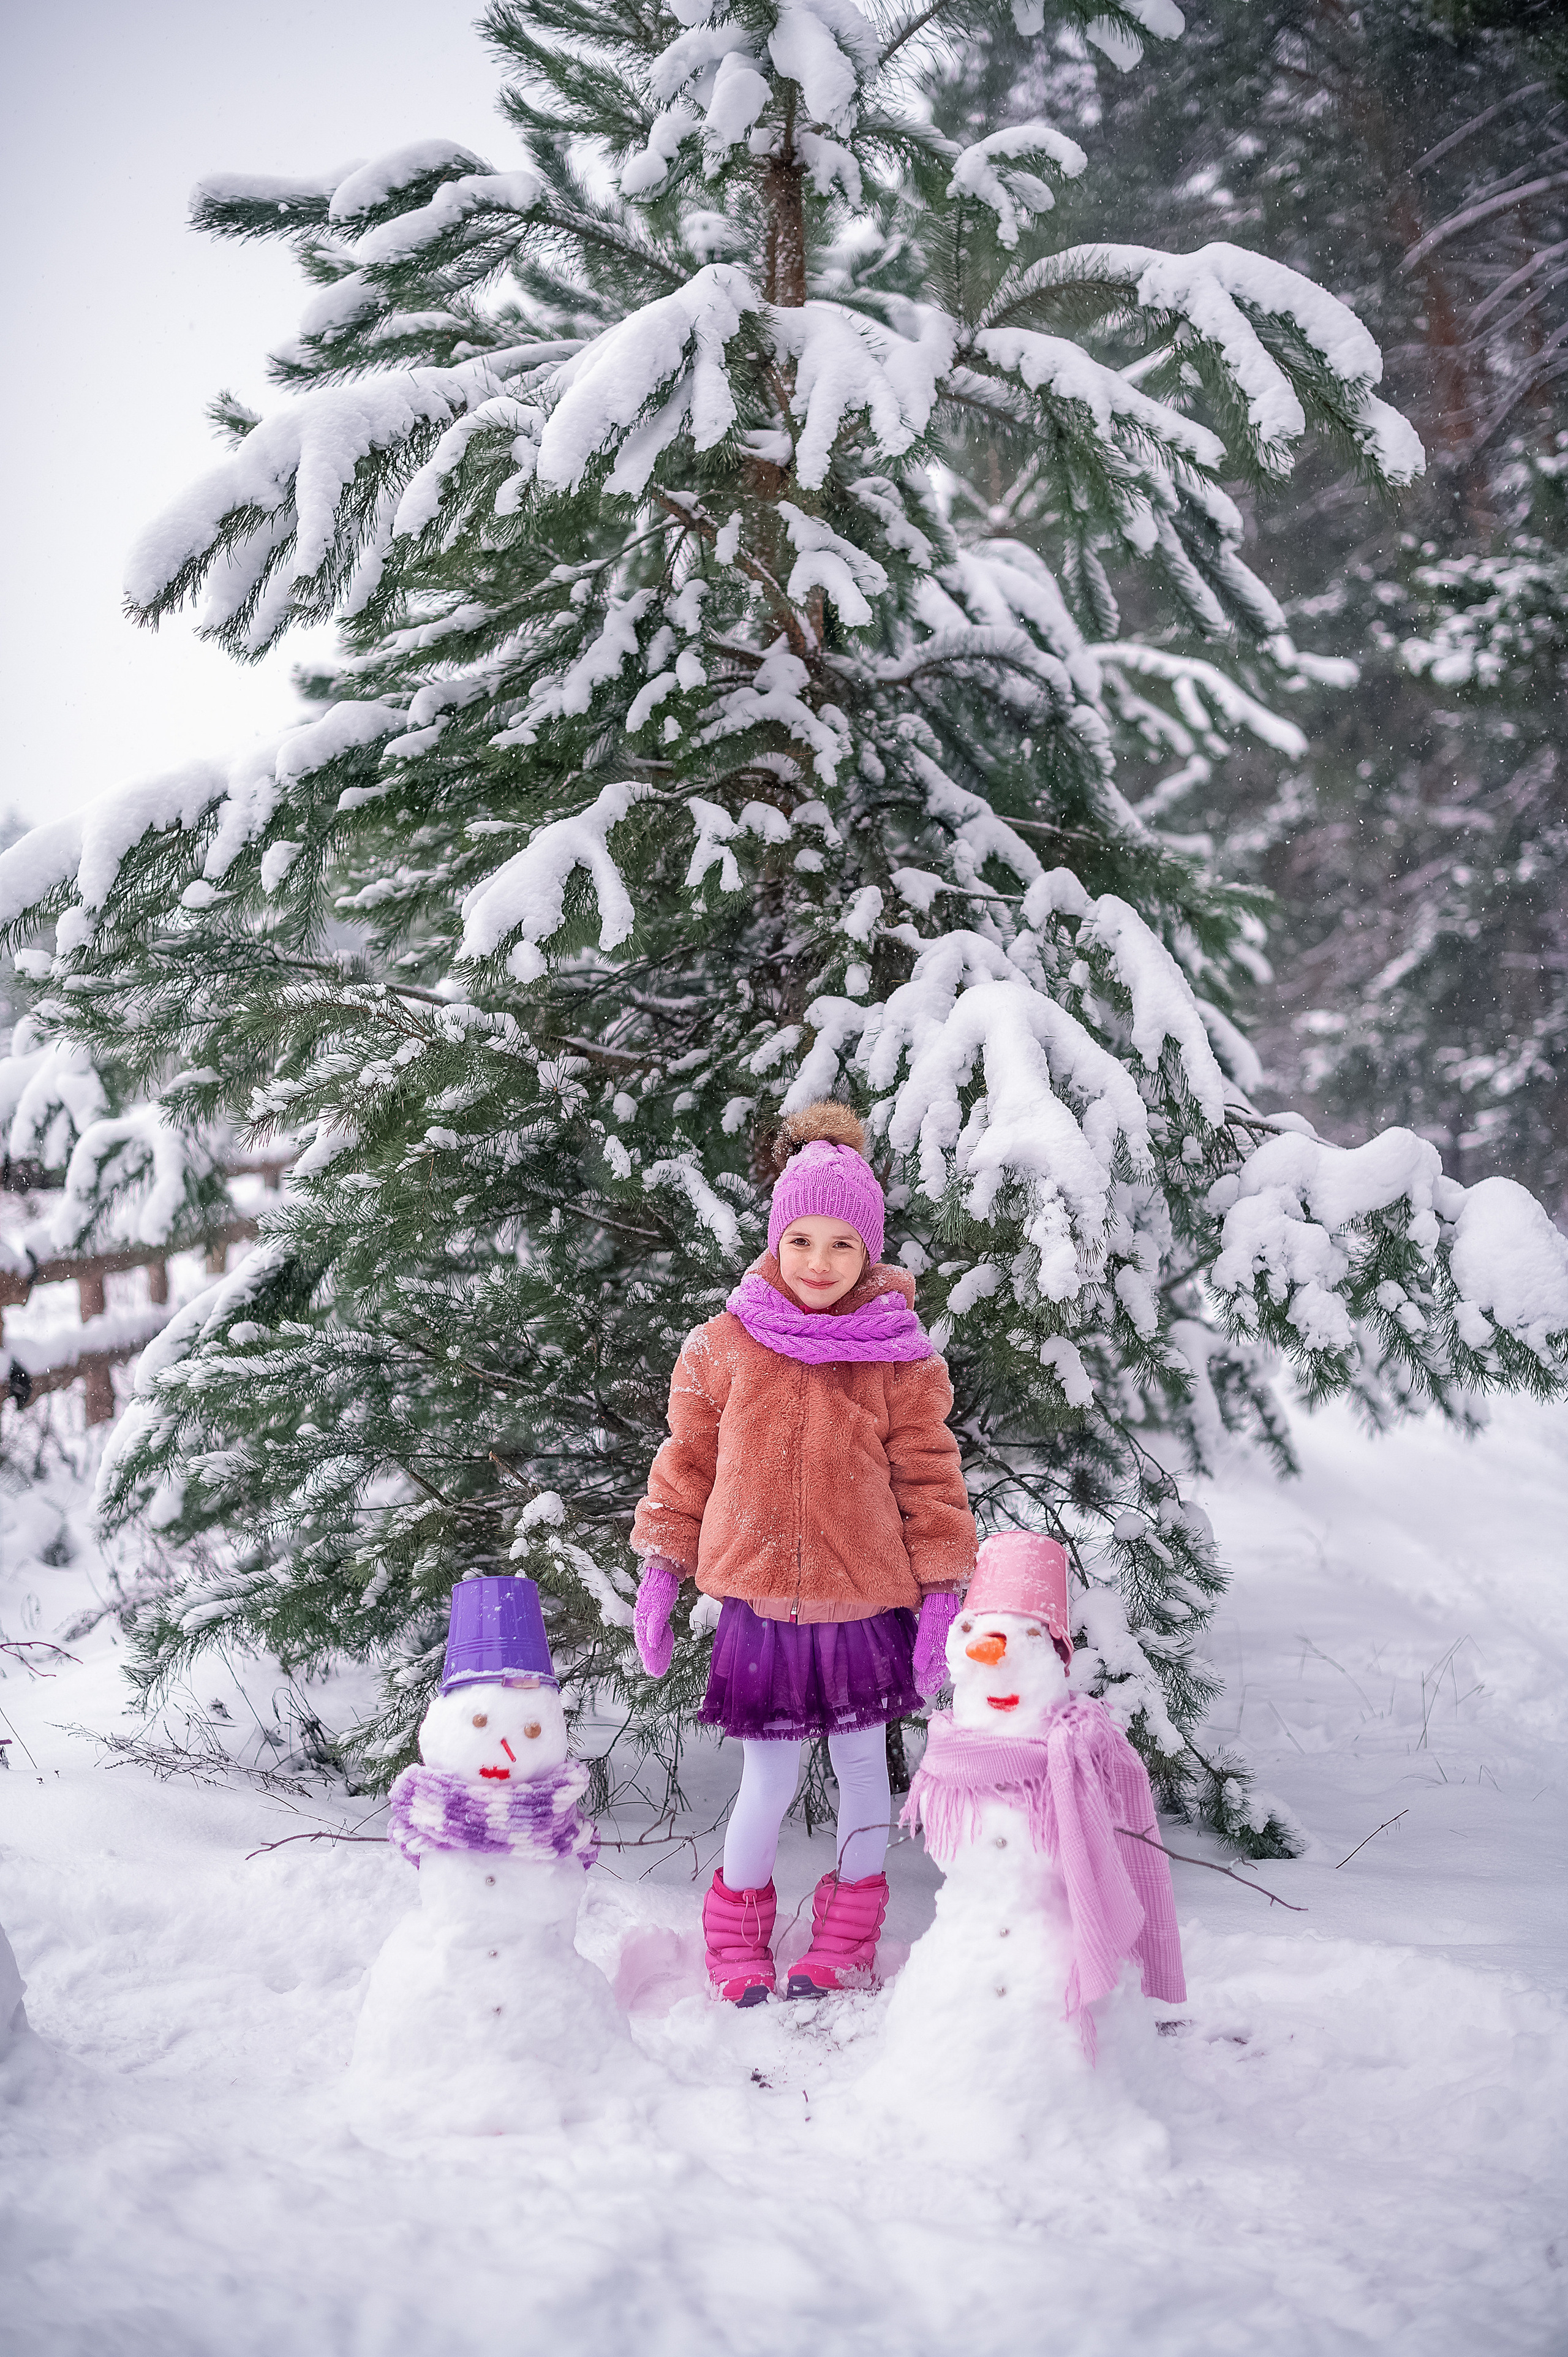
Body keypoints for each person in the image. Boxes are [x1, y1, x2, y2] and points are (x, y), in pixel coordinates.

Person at [630, 1101, 978, 2002]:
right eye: (802, 1241)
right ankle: (738, 1937)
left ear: (869, 1255)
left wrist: (942, 1589)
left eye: (842, 1246)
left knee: (865, 1772)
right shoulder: (722, 1345)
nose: (819, 1263)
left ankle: (847, 1936)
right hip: (759, 1608)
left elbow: (931, 1479)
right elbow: (686, 1465)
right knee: (769, 1779)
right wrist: (662, 1569)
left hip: (863, 1604)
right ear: (776, 1239)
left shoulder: (899, 1357)